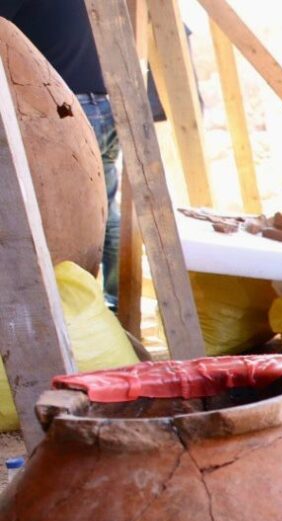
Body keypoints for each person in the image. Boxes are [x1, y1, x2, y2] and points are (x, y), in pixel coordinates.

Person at [0, 0, 166, 311]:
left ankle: (65, 306)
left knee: (56, 209)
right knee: (103, 205)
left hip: (69, 107)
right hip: (112, 100)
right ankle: (110, 302)